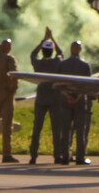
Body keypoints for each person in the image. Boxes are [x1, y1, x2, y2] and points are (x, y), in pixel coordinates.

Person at [28, 30, 63, 164]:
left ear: (42, 51)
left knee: (37, 128)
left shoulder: (38, 64)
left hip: (41, 96)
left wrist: (43, 40)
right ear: (52, 51)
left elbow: (33, 54)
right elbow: (61, 53)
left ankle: (33, 155)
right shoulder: (56, 62)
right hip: (54, 96)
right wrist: (52, 38)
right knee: (56, 128)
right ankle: (57, 155)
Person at [59, 40, 93, 165]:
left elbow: (58, 83)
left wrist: (67, 95)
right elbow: (87, 85)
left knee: (65, 130)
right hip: (80, 101)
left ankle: (65, 156)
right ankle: (80, 157)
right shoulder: (85, 65)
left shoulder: (63, 64)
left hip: (65, 100)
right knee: (80, 130)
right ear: (80, 50)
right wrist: (78, 97)